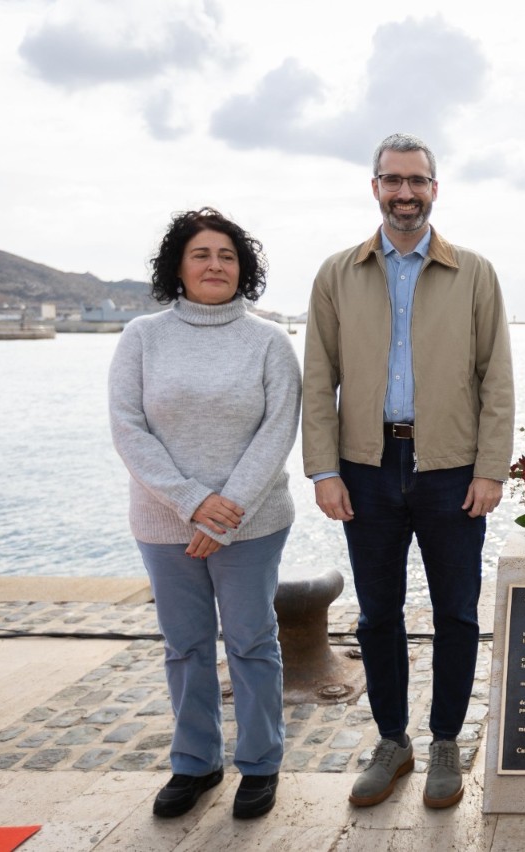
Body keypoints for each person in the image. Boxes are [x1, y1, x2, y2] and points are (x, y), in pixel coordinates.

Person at [302, 132, 514, 810]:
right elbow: (318, 379)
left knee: (455, 613)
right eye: (392, 180)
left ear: (433, 189)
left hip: (452, 469)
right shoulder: (337, 274)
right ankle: (392, 742)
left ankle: (446, 741)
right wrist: (322, 471)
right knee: (376, 617)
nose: (404, 192)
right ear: (374, 188)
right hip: (365, 468)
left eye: (416, 181)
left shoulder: (474, 272)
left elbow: (496, 379)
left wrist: (491, 469)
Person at [109, 208, 301, 820]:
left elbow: (278, 431)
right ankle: (195, 763)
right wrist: (193, 503)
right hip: (164, 524)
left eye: (227, 256)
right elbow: (128, 428)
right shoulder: (141, 336)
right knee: (185, 646)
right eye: (201, 254)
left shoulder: (270, 340)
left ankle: (261, 763)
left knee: (251, 641)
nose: (215, 265)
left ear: (243, 270)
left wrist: (225, 514)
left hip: (252, 523)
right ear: (178, 266)